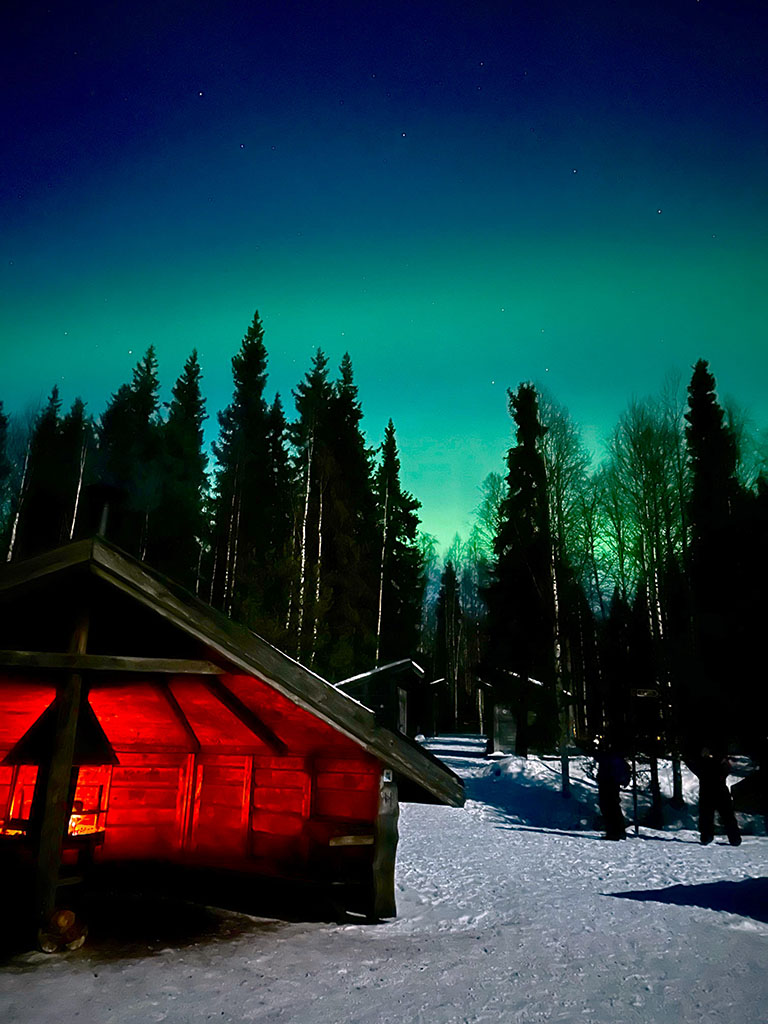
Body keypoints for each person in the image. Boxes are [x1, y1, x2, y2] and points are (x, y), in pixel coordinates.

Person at [686, 747, 741, 846]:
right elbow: (726, 770)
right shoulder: (711, 763)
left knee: (718, 815)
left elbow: (693, 766)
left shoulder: (704, 764)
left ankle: (730, 838)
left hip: (712, 792)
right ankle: (732, 838)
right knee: (717, 815)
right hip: (715, 792)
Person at [596, 744, 631, 840]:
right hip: (611, 782)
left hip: (608, 782)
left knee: (609, 807)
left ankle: (614, 832)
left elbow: (604, 764)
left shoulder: (610, 756)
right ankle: (618, 831)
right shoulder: (614, 756)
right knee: (613, 806)